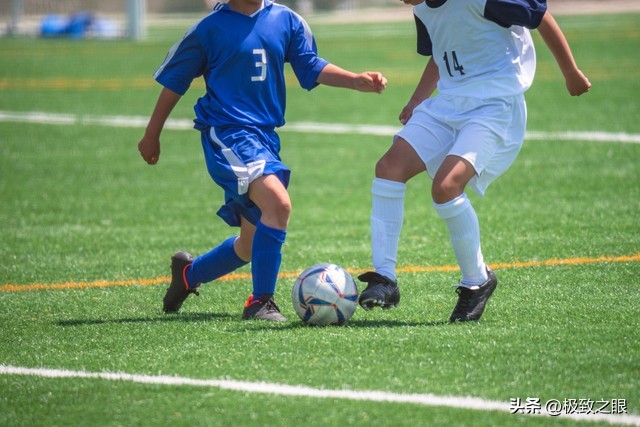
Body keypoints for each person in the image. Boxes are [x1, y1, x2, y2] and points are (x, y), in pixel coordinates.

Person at [138, 0, 387, 321]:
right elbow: (175, 81)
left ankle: (187, 275)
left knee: (249, 243)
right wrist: (152, 133)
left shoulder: (287, 20)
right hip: (227, 133)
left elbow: (309, 64)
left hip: (265, 138)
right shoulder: (209, 29)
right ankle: (261, 302)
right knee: (278, 205)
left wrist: (354, 79)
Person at [357, 0, 591, 322]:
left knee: (446, 186)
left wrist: (571, 72)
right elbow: (443, 53)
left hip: (494, 105)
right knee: (388, 169)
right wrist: (416, 100)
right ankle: (385, 278)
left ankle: (476, 281)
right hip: (450, 103)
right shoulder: (422, 9)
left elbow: (540, 15)